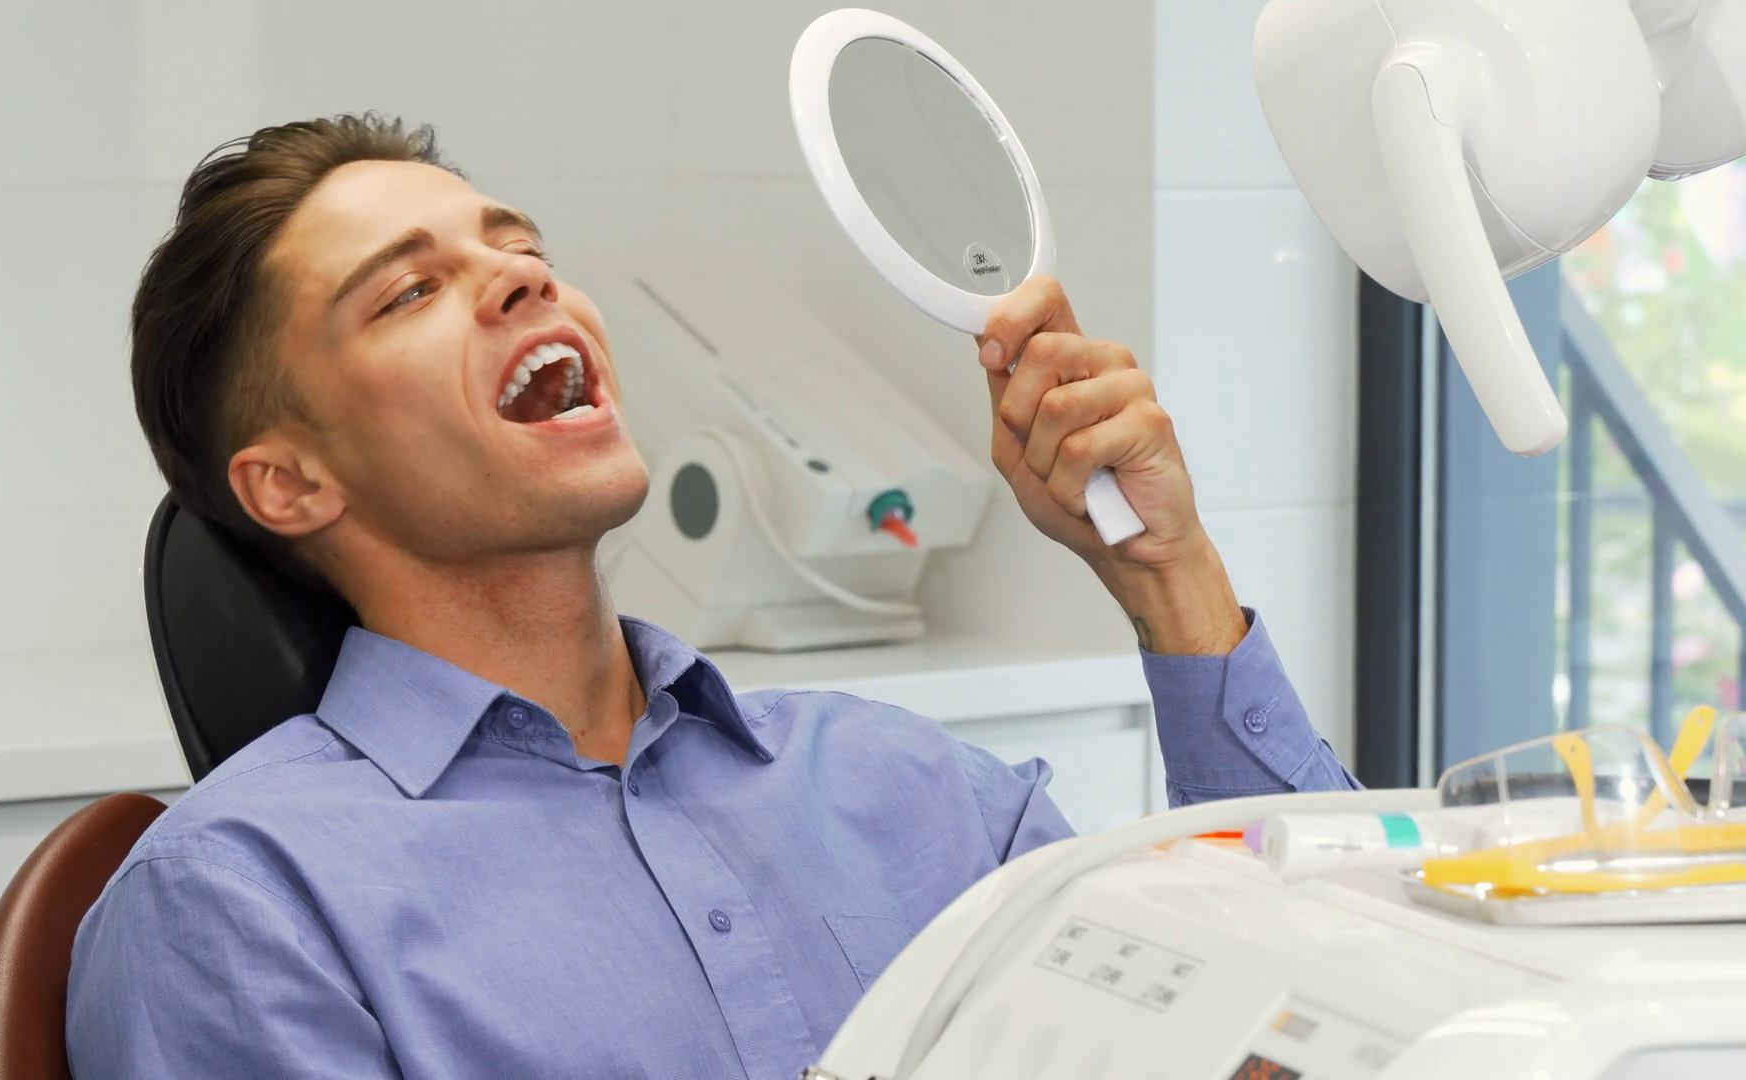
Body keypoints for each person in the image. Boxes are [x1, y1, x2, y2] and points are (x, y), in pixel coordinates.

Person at [67, 113, 1357, 1079]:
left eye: (521, 248)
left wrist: (1169, 578)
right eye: (410, 290)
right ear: (290, 483)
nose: (523, 278)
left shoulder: (923, 794)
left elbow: (1328, 1018)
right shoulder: (238, 902)